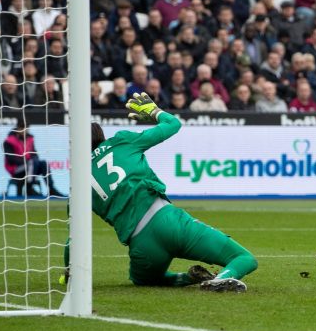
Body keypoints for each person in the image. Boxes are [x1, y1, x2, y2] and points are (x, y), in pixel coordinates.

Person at [83, 93, 257, 291]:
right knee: (244, 258)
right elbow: (173, 124)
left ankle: (187, 278)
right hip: (168, 222)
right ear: (102, 136)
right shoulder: (120, 142)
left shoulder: (79, 179)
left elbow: (73, 240)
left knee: (143, 280)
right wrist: (154, 112)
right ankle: (221, 278)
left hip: (141, 245)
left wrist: (69, 272)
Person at [3, 126, 64, 197]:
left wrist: (34, 160)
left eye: (26, 128)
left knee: (43, 163)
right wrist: (26, 161)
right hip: (16, 169)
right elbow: (10, 158)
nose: (25, 130)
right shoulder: (9, 141)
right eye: (22, 128)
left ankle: (51, 189)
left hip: (31, 167)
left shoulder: (29, 139)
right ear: (18, 129)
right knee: (32, 163)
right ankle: (29, 188)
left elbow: (34, 154)